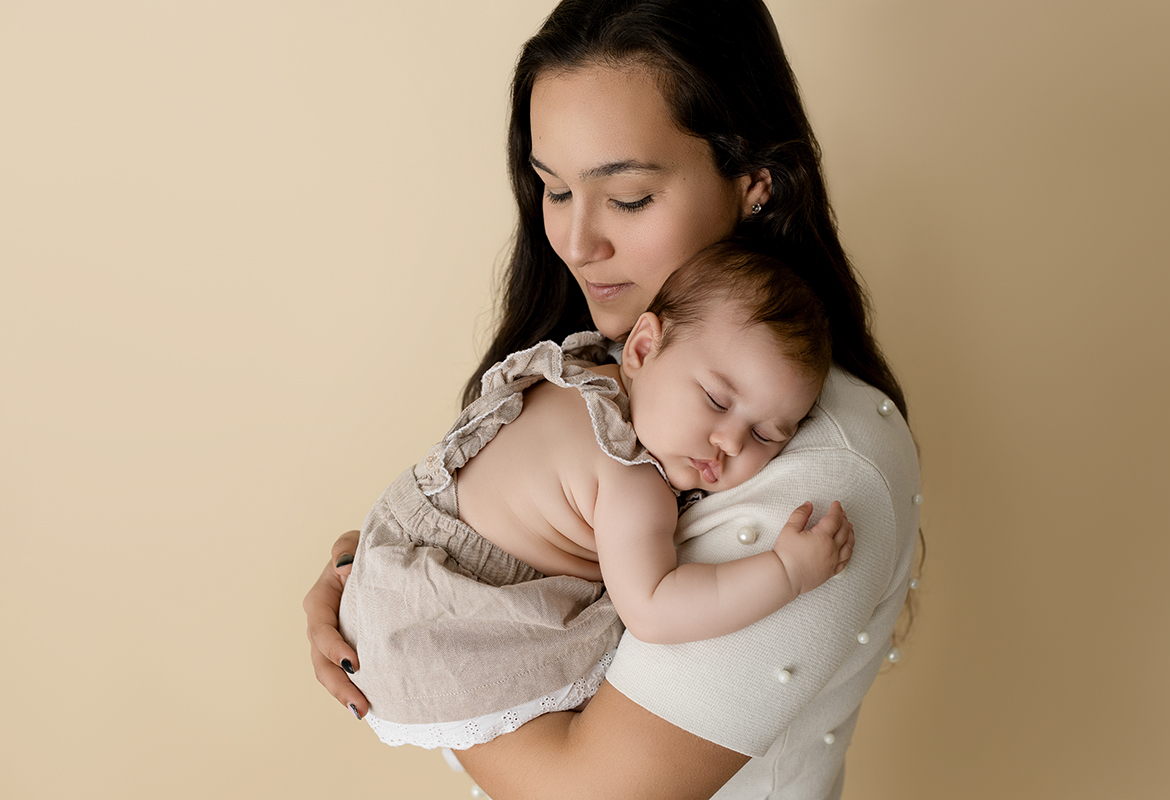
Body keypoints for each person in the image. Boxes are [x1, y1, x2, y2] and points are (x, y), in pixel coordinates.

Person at [304, 1, 922, 797]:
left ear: (756, 185)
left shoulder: (821, 473)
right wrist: (373, 580)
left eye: (627, 198)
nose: (575, 243)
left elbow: (592, 791)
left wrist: (402, 652)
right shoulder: (591, 372)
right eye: (553, 191)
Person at [340, 242, 853, 751]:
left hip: (399, 549)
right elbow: (653, 610)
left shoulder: (580, 373)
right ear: (644, 348)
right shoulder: (632, 481)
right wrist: (786, 573)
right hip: (448, 622)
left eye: (766, 436)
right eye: (717, 400)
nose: (731, 442)